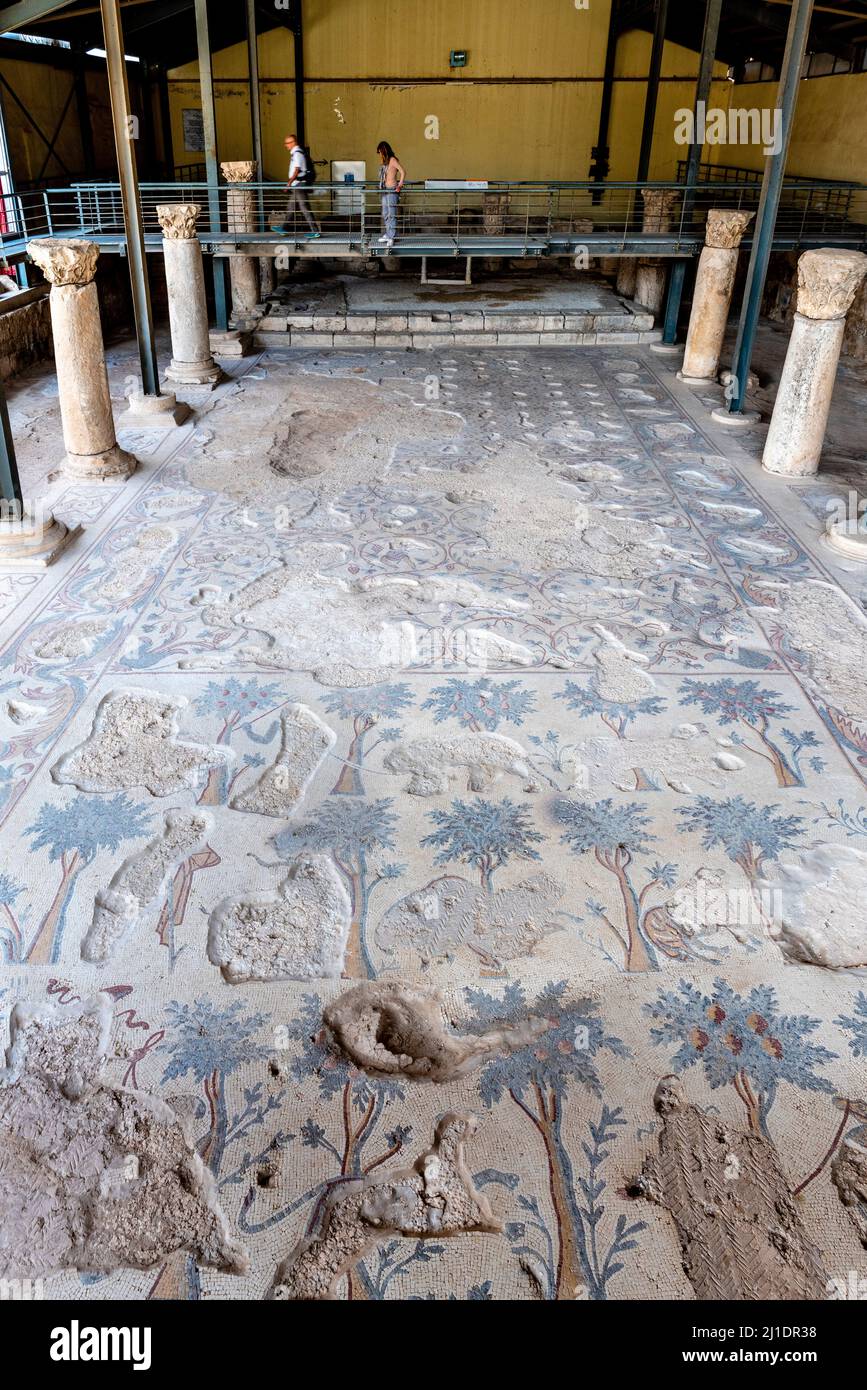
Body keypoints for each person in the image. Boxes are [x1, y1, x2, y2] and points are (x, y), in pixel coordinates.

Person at [274, 134, 320, 238]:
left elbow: (297, 170)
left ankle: (315, 231)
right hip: (297, 185)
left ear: (293, 143)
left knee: (304, 208)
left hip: (299, 185)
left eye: (287, 143)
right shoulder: (296, 153)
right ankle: (283, 228)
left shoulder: (297, 154)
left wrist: (289, 183)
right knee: (291, 207)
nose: (286, 145)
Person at [376, 140, 404, 248]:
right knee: (385, 213)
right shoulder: (385, 162)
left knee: (391, 214)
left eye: (380, 152)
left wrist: (399, 185)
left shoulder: (392, 160)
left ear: (384, 151)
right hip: (385, 190)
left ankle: (391, 237)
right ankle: (388, 234)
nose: (380, 155)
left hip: (392, 190)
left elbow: (403, 171)